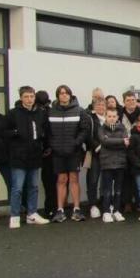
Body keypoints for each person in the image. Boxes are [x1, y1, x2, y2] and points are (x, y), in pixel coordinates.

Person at [4, 86, 50, 229]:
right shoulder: (13, 113)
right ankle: (15, 215)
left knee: (33, 186)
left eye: (31, 96)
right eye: (26, 96)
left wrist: (44, 144)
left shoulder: (40, 113)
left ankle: (32, 214)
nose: (29, 99)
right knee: (17, 188)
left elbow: (45, 130)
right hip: (18, 156)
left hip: (35, 155)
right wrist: (16, 132)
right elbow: (4, 132)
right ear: (21, 98)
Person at [49, 84, 89, 223]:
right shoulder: (51, 111)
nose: (64, 95)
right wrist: (53, 145)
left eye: (66, 93)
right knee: (61, 180)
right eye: (61, 93)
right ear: (58, 96)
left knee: (73, 179)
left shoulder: (79, 111)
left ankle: (76, 209)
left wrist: (76, 143)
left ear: (70, 95)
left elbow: (84, 130)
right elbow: (47, 132)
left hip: (74, 152)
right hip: (58, 152)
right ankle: (60, 210)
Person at [98, 107, 129, 223]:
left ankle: (116, 210)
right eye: (109, 116)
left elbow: (126, 142)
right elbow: (104, 141)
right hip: (107, 163)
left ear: (117, 117)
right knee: (106, 190)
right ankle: (106, 212)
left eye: (114, 116)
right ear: (105, 117)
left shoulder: (122, 128)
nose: (111, 118)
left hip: (120, 163)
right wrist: (120, 141)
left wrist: (110, 140)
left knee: (118, 190)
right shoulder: (101, 129)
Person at [35, 90, 57, 218]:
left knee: (51, 181)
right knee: (47, 182)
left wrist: (49, 147)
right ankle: (47, 208)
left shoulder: (52, 112)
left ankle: (52, 208)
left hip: (51, 151)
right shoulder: (34, 113)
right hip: (39, 150)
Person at [85, 97, 106, 218]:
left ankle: (105, 203)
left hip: (109, 155)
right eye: (98, 105)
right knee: (93, 180)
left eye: (103, 105)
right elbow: (87, 136)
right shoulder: (90, 119)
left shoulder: (110, 118)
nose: (101, 107)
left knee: (107, 180)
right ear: (93, 106)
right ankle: (92, 205)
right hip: (95, 154)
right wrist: (98, 147)